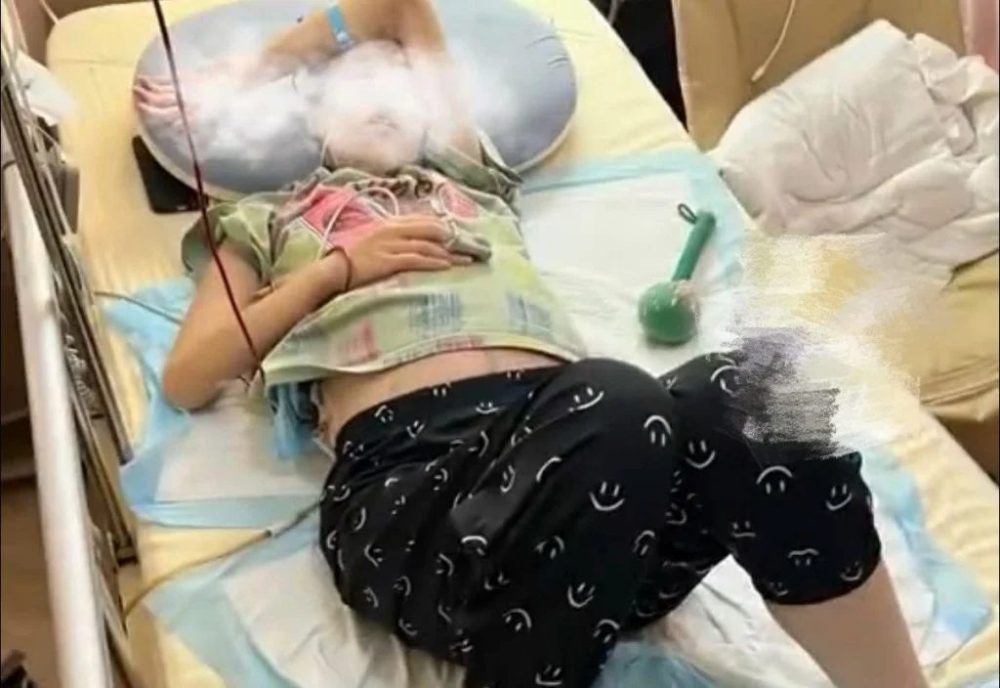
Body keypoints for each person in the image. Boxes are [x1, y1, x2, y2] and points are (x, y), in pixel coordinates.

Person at [140, 0, 929, 686]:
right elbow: (189, 375)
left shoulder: (469, 178)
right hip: (422, 506)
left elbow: (399, 6)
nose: (383, 94)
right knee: (619, 399)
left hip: (604, 495)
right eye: (355, 83)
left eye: (399, 79)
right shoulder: (272, 221)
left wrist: (266, 58)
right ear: (312, 119)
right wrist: (337, 270)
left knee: (761, 393)